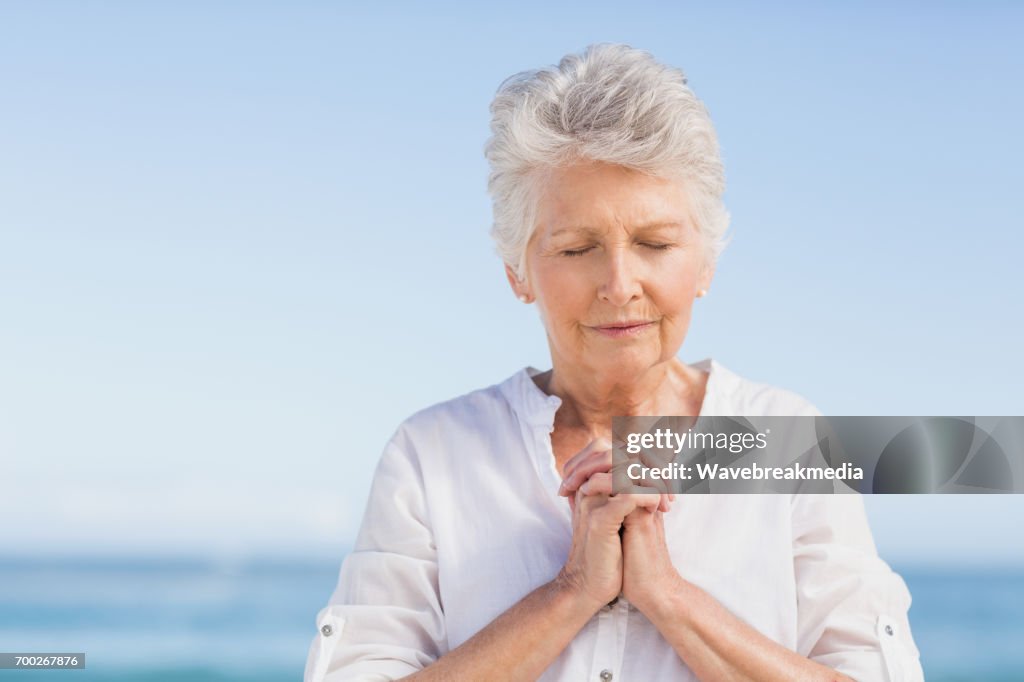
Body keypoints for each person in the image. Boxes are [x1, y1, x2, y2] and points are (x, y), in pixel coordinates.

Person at [305, 43, 924, 681]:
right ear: (518, 272)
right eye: (577, 249)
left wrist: (669, 598)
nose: (620, 284)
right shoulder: (433, 454)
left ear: (705, 263)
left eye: (655, 243)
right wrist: (571, 592)